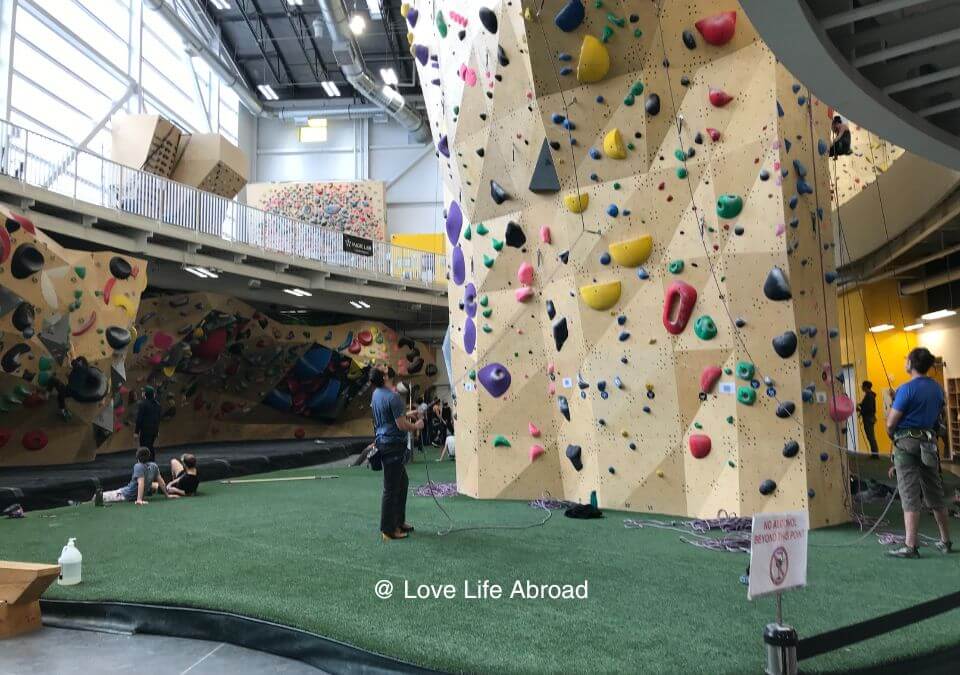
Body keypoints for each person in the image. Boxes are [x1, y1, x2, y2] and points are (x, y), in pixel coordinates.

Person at [885, 348, 952, 558]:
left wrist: (893, 437)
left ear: (911, 364)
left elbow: (891, 423)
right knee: (934, 491)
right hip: (929, 443)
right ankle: (945, 541)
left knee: (909, 493)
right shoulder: (938, 389)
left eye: (906, 360)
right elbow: (938, 417)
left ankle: (910, 546)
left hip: (906, 443)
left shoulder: (906, 389)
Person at [371, 368, 423, 541]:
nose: (387, 368)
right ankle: (388, 529)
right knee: (391, 489)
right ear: (385, 377)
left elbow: (390, 418)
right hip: (392, 446)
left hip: (384, 443)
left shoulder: (377, 394)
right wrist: (416, 426)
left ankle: (399, 521)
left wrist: (407, 414)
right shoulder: (393, 397)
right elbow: (401, 425)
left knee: (402, 483)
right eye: (384, 369)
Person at [99, 447, 177, 505]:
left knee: (99, 497)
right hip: (129, 494)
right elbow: (161, 481)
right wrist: (167, 495)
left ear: (137, 457)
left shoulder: (138, 466)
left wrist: (139, 499)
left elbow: (141, 483)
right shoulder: (154, 466)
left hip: (126, 494)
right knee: (101, 496)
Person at [135, 386, 162, 463]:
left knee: (144, 447)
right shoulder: (158, 405)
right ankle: (152, 462)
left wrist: (136, 431)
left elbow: (139, 419)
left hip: (145, 430)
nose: (142, 393)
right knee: (150, 446)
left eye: (143, 392)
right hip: (154, 430)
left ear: (146, 394)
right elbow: (157, 419)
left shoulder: (143, 404)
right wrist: (157, 430)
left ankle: (145, 463)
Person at [858, 381, 880, 457]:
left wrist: (861, 410)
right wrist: (861, 405)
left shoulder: (869, 396)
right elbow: (867, 405)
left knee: (870, 436)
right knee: (871, 436)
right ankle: (874, 453)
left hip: (868, 418)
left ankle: (875, 454)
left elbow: (869, 408)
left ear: (866, 387)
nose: (861, 387)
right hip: (870, 418)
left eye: (862, 386)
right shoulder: (869, 395)